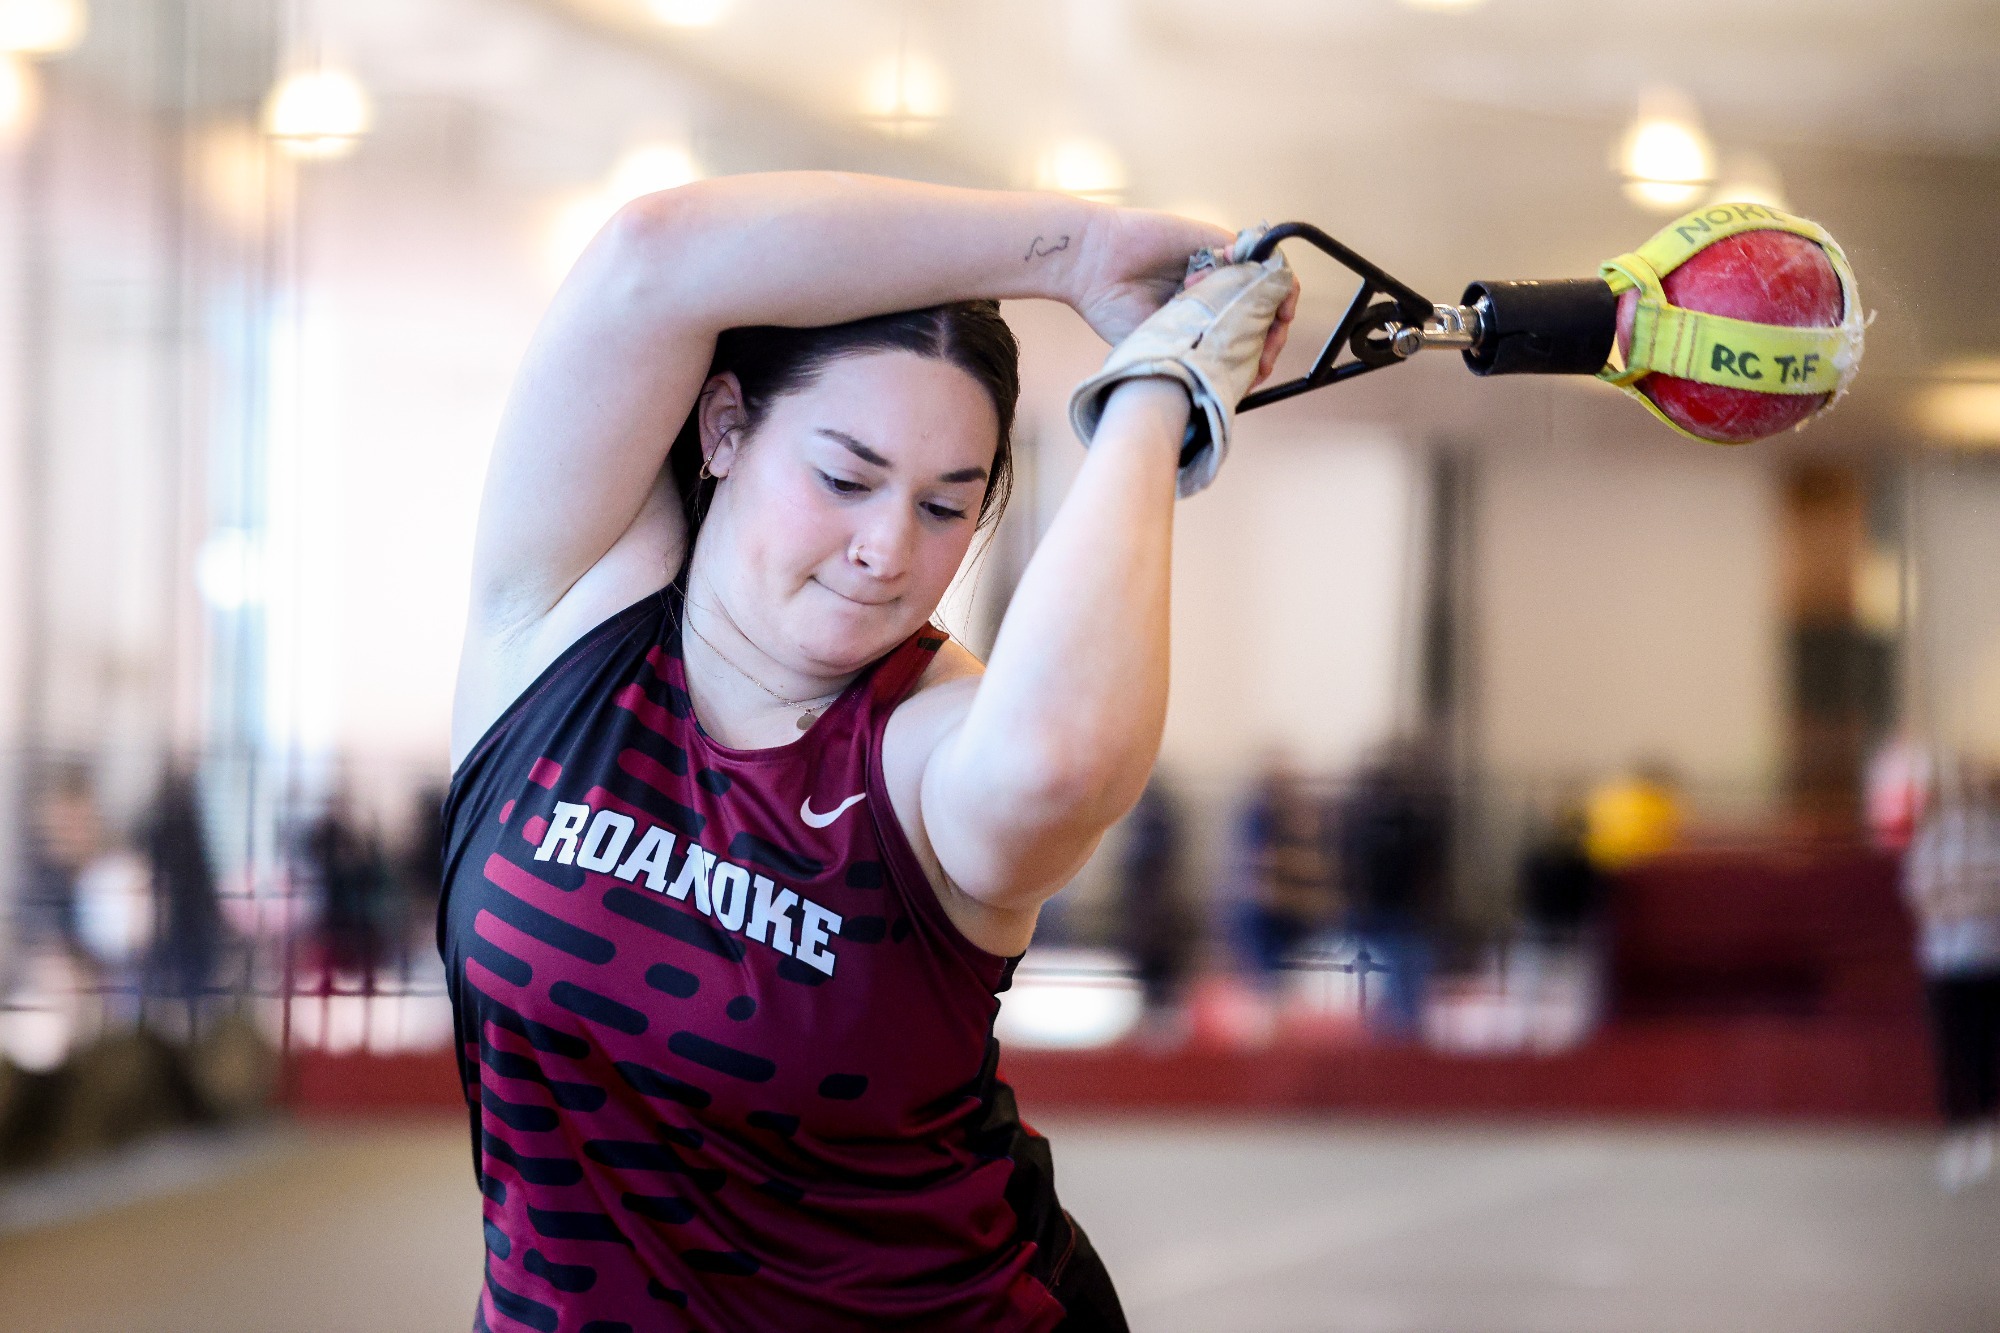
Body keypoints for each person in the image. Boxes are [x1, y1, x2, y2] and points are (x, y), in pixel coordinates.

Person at [440, 173, 1294, 1330]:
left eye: (946, 508)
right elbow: (649, 260)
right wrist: (1076, 249)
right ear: (726, 426)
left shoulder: (924, 745)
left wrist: (1154, 394)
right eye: (844, 479)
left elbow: (1057, 764)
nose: (886, 549)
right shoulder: (564, 623)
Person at [1902, 762, 2000, 1192]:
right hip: (1943, 958)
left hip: (1988, 956)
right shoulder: (1933, 837)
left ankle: (1984, 1128)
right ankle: (1959, 1131)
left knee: (1985, 1046)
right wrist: (1965, 898)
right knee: (1952, 1048)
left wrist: (1962, 897)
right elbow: (1921, 892)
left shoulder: (1993, 834)